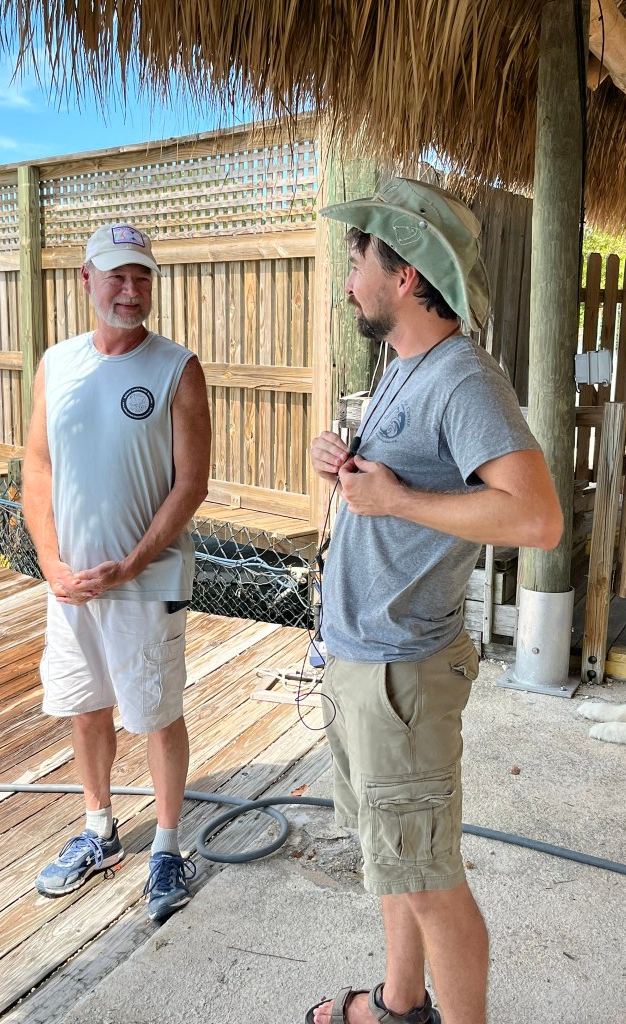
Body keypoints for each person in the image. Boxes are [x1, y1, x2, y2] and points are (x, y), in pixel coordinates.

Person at [306, 179, 563, 1024]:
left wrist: (396, 499)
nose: (349, 282)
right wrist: (349, 469)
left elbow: (536, 517)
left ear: (406, 274)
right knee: (395, 859)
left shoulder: (462, 379)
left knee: (429, 879)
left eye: (358, 262)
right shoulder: (403, 365)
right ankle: (399, 1004)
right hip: (365, 662)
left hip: (402, 679)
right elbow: (397, 485)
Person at [23, 222, 211, 923]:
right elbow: (37, 468)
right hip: (71, 586)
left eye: (142, 278)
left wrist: (132, 563)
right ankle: (99, 829)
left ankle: (166, 845)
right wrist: (51, 562)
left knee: (157, 713)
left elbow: (190, 484)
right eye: (117, 276)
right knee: (86, 705)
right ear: (87, 279)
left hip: (147, 582)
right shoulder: (56, 364)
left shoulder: (176, 369)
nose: (130, 291)